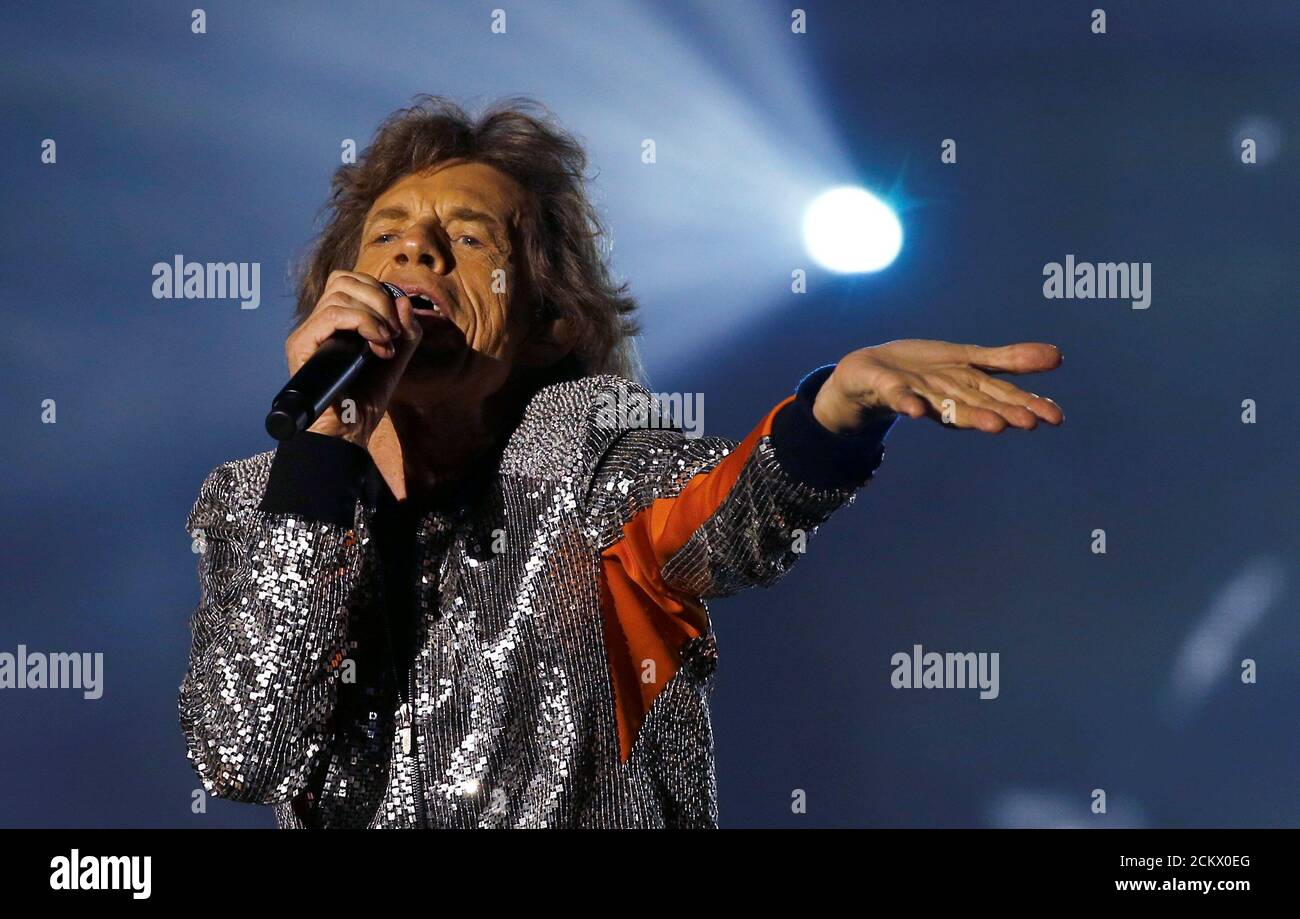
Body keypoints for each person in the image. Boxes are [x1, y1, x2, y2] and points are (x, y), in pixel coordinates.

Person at [179, 95, 1063, 828]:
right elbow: (241, 749)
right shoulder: (258, 501)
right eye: (390, 235)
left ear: (547, 323)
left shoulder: (597, 477)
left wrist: (829, 414)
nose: (418, 251)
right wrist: (320, 464)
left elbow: (733, 515)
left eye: (471, 238)